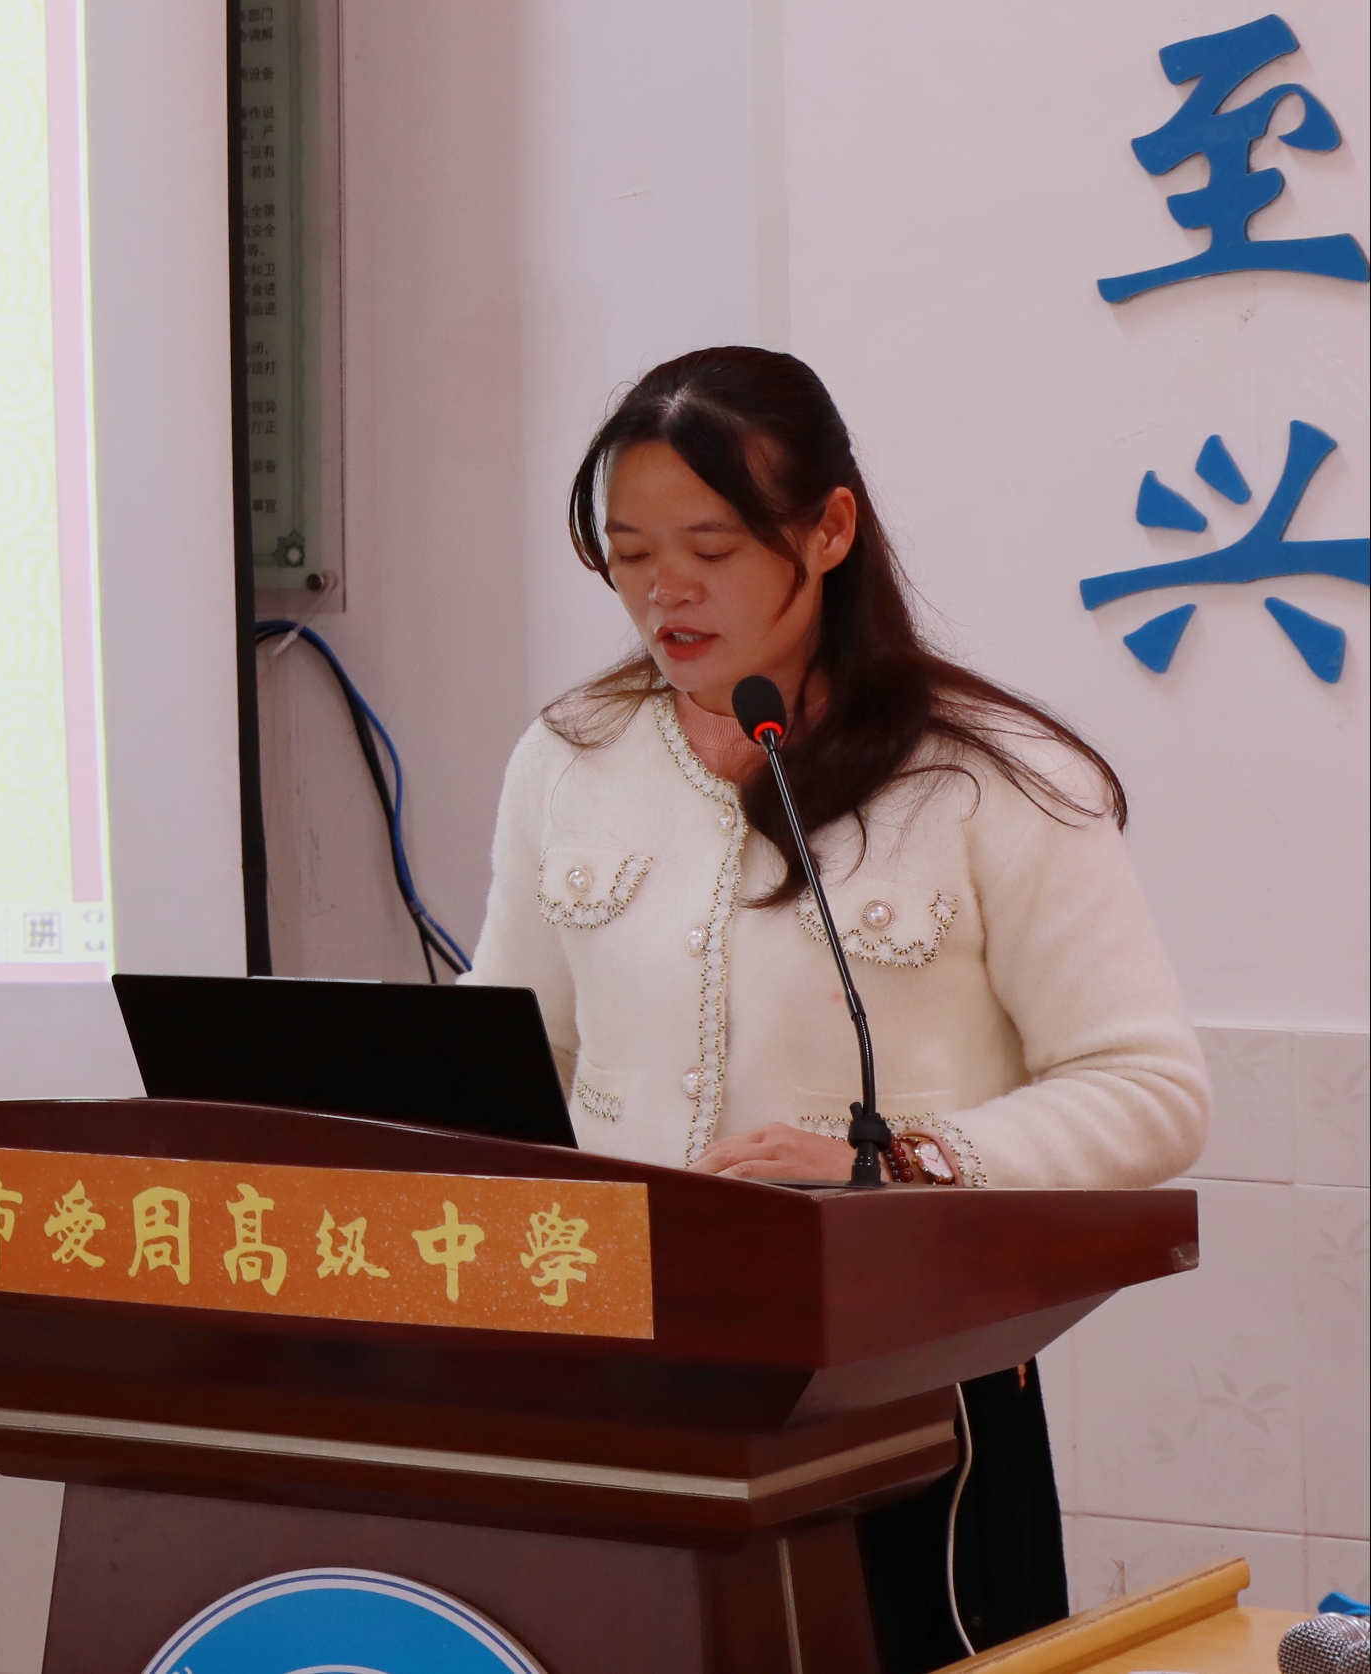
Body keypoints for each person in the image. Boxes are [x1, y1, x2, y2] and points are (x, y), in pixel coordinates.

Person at [465, 345, 1205, 1671]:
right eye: (629, 553)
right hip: (622, 1384)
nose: (664, 590)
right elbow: (520, 1049)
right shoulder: (570, 757)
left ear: (829, 530)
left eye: (711, 547)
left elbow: (1150, 1089)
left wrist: (899, 1163)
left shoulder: (992, 777)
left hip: (906, 1404)